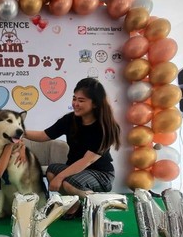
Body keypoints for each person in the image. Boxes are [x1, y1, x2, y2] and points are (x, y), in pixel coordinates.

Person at [24, 77, 121, 218]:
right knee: (51, 171)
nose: (75, 103)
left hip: (101, 174)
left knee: (68, 182)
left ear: (95, 104)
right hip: (77, 171)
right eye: (74, 98)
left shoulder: (105, 128)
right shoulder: (70, 119)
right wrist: (19, 132)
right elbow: (43, 135)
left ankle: (99, 205)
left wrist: (60, 178)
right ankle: (75, 208)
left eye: (81, 100)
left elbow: (86, 161)